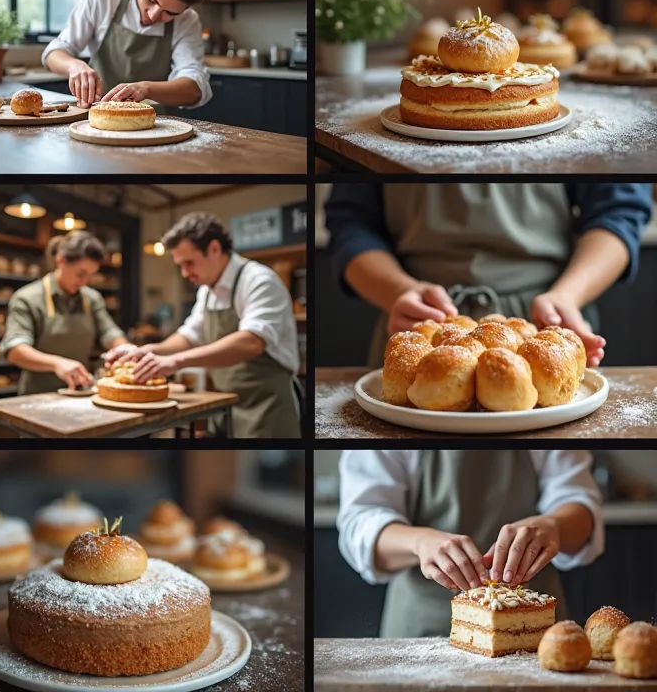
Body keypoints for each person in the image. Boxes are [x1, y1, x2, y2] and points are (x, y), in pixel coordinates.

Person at [325, 182, 652, 366]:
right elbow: (350, 223)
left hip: (545, 323)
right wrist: (397, 291)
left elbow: (618, 210)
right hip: (416, 325)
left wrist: (569, 295)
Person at [337, 449, 603, 636]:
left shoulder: (544, 414)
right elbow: (360, 523)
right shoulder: (389, 420)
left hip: (536, 637)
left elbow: (579, 502)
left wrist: (555, 526)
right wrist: (420, 542)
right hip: (420, 634)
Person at [105, 212, 301, 438]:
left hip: (268, 408)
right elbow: (189, 336)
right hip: (226, 403)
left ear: (215, 249)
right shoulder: (207, 291)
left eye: (189, 263)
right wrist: (146, 352)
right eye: (180, 265)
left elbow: (251, 342)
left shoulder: (259, 281)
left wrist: (173, 362)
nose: (185, 273)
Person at [42, 0, 215, 109]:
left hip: (159, 124)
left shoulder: (187, 21)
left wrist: (145, 88)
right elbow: (53, 53)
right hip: (98, 120)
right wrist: (75, 66)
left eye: (170, 13)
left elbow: (194, 90)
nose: (153, 15)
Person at [0, 232, 127, 394]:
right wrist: (56, 363)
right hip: (38, 395)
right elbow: (15, 349)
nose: (85, 282)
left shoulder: (91, 298)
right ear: (61, 261)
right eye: (81, 274)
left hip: (80, 391)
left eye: (91, 276)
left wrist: (124, 348)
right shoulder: (27, 298)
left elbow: (109, 332)